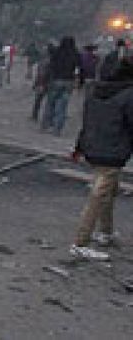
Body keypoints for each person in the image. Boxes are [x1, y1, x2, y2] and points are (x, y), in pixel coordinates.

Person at [68, 59, 133, 261]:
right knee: (99, 194)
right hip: (114, 151)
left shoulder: (94, 90)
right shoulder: (129, 95)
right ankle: (81, 242)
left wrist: (79, 147)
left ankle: (106, 232)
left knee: (108, 190)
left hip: (92, 146)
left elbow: (87, 121)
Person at [42, 36, 83, 136]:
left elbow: (50, 66)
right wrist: (78, 82)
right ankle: (57, 129)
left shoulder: (57, 52)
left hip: (56, 80)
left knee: (50, 104)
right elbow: (79, 69)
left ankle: (46, 125)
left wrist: (45, 80)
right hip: (68, 82)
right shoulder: (76, 54)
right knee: (62, 107)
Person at [32, 44, 54, 122]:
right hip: (51, 83)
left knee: (38, 99)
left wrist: (36, 83)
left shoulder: (44, 61)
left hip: (43, 82)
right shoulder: (54, 60)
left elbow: (41, 74)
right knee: (50, 102)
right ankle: (49, 119)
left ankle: (35, 115)